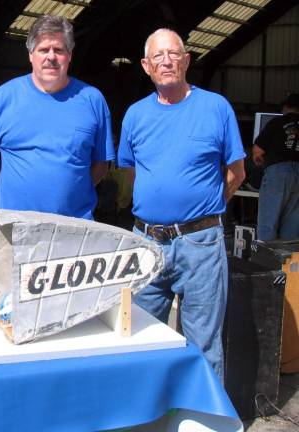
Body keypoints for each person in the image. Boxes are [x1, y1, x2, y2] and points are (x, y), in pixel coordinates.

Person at [117, 28, 246, 381]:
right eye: (158, 56)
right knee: (139, 337)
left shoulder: (216, 108)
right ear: (146, 66)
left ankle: (203, 418)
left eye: (174, 54)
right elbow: (131, 170)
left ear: (187, 60)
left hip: (200, 245)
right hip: (146, 243)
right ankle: (148, 415)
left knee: (203, 344)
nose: (167, 61)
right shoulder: (135, 115)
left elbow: (236, 172)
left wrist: (201, 213)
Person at [0, 15, 114, 218]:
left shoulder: (93, 100)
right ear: (31, 54)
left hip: (75, 227)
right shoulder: (2, 99)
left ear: (70, 55)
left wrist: (74, 194)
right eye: (43, 49)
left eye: (58, 50)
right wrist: (8, 193)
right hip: (16, 225)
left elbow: (101, 164)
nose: (51, 57)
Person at [253, 93, 299, 240]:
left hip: (278, 173)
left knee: (268, 222)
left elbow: (258, 150)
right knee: (292, 226)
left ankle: (265, 261)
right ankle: (288, 261)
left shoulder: (277, 122)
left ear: (286, 107)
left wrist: (259, 160)